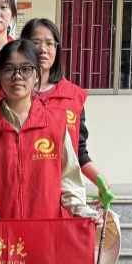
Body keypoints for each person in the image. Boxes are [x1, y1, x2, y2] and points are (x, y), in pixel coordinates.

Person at [0, 39, 101, 223]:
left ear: (37, 76)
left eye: (26, 69)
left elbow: (69, 179)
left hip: (45, 232)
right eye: (9, 69)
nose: (17, 76)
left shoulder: (56, 123)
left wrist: (82, 211)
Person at [21, 17, 108, 189]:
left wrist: (101, 182)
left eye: (49, 43)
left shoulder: (73, 96)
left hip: (64, 193)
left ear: (57, 49)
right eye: (36, 42)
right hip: (24, 189)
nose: (43, 49)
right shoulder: (14, 93)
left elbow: (79, 151)